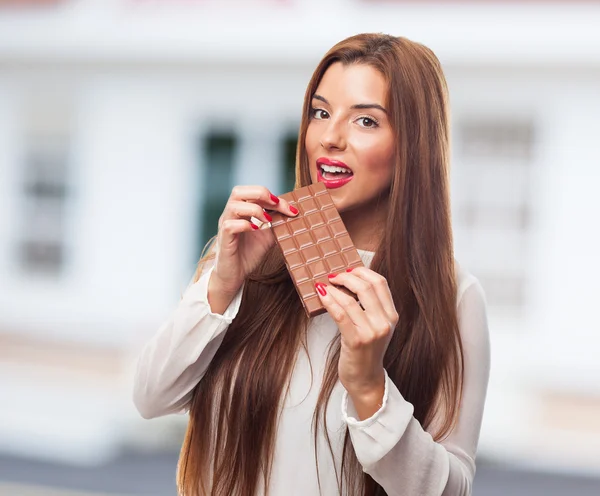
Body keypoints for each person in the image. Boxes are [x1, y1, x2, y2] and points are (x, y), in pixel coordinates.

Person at [133, 33, 490, 496]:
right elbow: (150, 397)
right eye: (320, 113)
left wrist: (369, 388)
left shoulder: (454, 296)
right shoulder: (252, 252)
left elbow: (451, 488)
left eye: (365, 120)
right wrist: (221, 285)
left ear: (413, 145)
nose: (329, 138)